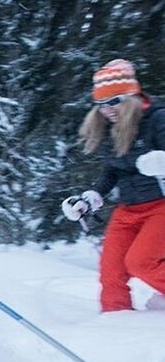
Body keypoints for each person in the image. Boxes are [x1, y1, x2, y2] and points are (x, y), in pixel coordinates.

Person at [61, 59, 165, 312]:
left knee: (141, 263)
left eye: (114, 101)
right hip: (128, 209)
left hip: (161, 206)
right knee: (111, 273)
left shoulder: (157, 119)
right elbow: (113, 170)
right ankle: (114, 327)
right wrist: (92, 197)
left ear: (131, 97)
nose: (107, 110)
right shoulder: (110, 128)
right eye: (101, 104)